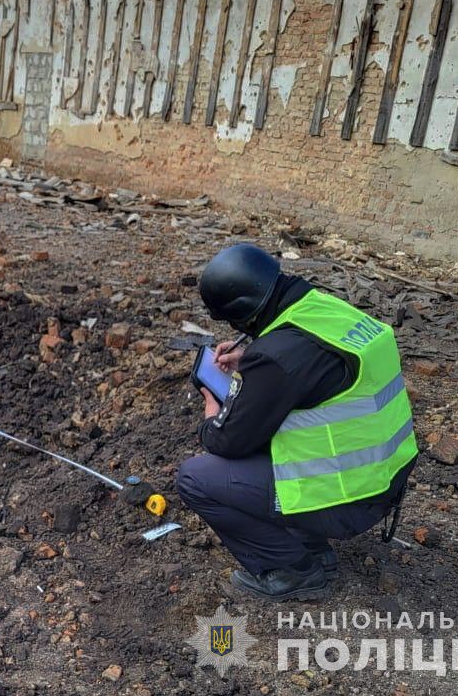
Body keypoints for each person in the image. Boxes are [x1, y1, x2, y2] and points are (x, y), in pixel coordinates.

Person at [177, 243, 417, 601]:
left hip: (348, 497)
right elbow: (316, 371)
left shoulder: (276, 358)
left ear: (244, 315)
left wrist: (212, 412)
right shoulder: (324, 309)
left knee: (197, 478)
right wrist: (253, 360)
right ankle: (311, 546)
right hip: (386, 477)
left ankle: (294, 570)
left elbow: (227, 441)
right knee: (274, 439)